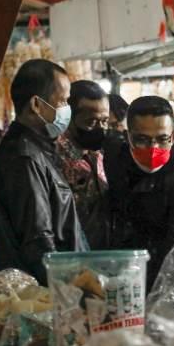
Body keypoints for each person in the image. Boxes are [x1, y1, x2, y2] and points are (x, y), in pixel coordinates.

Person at [0, 59, 86, 284]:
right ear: (36, 105)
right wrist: (69, 290)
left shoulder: (38, 151)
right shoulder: (25, 158)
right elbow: (38, 241)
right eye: (62, 101)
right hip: (43, 294)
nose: (66, 109)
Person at [107, 96, 174, 288]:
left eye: (162, 139)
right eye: (142, 140)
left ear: (173, 137)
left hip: (155, 280)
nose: (153, 148)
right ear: (128, 137)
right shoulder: (113, 159)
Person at [56, 80, 110, 249]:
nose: (100, 128)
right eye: (91, 122)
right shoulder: (55, 157)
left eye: (104, 121)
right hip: (73, 253)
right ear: (70, 118)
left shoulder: (97, 153)